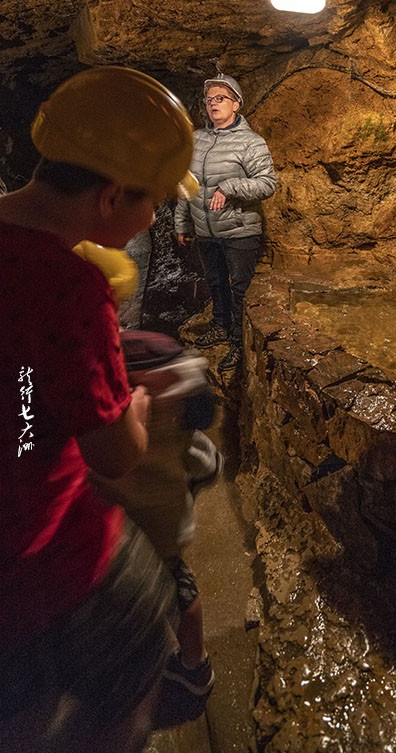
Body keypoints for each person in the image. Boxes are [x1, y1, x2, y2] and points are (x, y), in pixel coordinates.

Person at [0, 66, 198, 753]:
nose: (158, 214)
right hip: (35, 554)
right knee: (144, 631)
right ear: (112, 194)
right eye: (158, 201)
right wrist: (138, 403)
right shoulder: (69, 284)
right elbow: (112, 454)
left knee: (17, 705)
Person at [73, 243, 222, 702]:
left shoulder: (91, 368)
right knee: (180, 591)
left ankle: (137, 671)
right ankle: (194, 668)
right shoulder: (162, 363)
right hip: (161, 520)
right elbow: (203, 447)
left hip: (115, 523)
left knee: (128, 595)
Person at [175, 73, 277, 372]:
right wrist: (182, 223)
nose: (213, 104)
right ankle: (221, 326)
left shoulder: (251, 143)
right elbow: (187, 184)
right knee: (216, 283)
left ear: (236, 104)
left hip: (239, 231)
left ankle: (238, 343)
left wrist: (230, 187)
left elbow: (267, 184)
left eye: (220, 98)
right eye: (209, 100)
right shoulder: (196, 139)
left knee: (240, 288)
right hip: (206, 230)